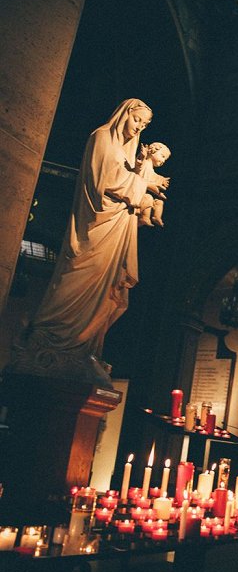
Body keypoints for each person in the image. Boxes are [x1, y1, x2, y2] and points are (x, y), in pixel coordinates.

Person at [10, 98, 167, 386]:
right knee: (80, 278)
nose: (139, 128)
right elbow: (104, 181)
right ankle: (49, 337)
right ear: (124, 114)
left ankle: (84, 350)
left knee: (110, 291)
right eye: (137, 120)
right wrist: (144, 184)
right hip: (94, 230)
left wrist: (143, 180)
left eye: (144, 125)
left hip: (117, 227)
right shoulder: (102, 138)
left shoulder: (129, 153)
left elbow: (128, 183)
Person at [137, 142, 171, 227]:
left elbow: (153, 176)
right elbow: (138, 166)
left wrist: (162, 180)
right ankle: (144, 217)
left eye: (165, 160)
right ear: (153, 151)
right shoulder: (145, 163)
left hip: (144, 191)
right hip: (139, 193)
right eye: (162, 156)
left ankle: (156, 217)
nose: (163, 161)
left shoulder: (151, 169)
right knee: (148, 198)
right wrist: (142, 156)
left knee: (159, 202)